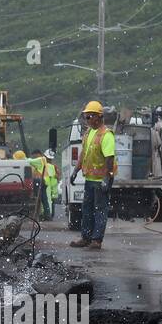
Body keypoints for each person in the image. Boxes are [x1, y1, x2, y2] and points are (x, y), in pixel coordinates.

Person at [69, 100, 115, 249]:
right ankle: (86, 237)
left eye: (90, 117)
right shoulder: (89, 133)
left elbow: (109, 158)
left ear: (99, 117)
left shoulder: (106, 135)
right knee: (87, 209)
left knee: (100, 210)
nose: (87, 120)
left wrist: (107, 179)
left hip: (101, 180)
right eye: (86, 117)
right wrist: (75, 171)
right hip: (89, 179)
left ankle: (96, 240)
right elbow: (84, 153)